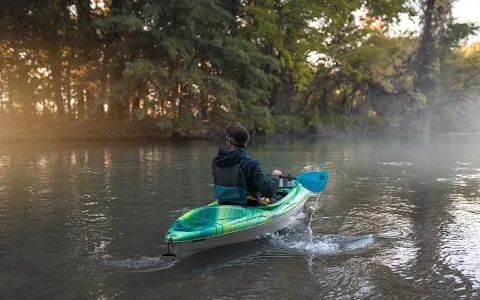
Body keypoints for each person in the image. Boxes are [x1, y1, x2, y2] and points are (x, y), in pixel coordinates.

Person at [212, 125, 282, 206]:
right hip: (248, 204)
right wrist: (275, 176)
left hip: (223, 202)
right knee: (283, 194)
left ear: (229, 141)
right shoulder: (251, 163)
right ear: (245, 143)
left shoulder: (216, 161)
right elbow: (269, 191)